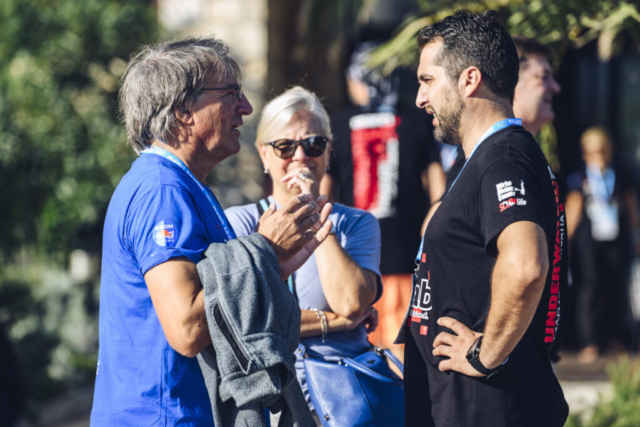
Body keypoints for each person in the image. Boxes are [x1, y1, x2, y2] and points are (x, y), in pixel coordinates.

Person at [91, 38, 332, 426]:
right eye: (231, 93)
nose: (246, 107)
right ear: (184, 110)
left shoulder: (180, 184)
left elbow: (218, 294)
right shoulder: (162, 190)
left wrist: (271, 267)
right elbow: (186, 328)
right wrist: (265, 251)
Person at [399, 10, 568, 426]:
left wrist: (484, 355)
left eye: (428, 80)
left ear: (469, 80)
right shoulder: (488, 158)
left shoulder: (502, 158)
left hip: (487, 409)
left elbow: (526, 265)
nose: (420, 98)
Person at [225, 86, 382, 424]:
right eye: (285, 146)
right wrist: (334, 322)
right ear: (264, 155)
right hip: (270, 401)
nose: (300, 156)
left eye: (314, 144)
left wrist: (314, 211)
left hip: (344, 400)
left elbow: (351, 302)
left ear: (328, 152)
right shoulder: (240, 222)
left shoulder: (357, 223)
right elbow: (245, 320)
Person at [325, 43, 444, 355]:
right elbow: (435, 177)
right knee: (405, 343)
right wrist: (436, 215)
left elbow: (326, 186)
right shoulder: (414, 120)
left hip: (355, 249)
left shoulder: (338, 124)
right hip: (407, 245)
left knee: (361, 340)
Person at [423, 35, 562, 232]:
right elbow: (433, 226)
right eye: (543, 77)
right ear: (512, 81)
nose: (555, 87)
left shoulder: (510, 147)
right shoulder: (496, 151)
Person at [565, 127, 640, 363]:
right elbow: (572, 210)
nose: (596, 156)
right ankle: (590, 341)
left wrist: (636, 236)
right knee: (590, 287)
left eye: (600, 151)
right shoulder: (580, 177)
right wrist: (565, 243)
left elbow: (631, 207)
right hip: (589, 242)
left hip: (616, 240)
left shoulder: (621, 174)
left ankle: (615, 339)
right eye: (591, 152)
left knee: (617, 286)